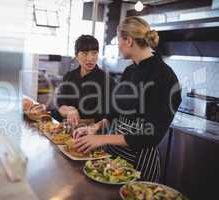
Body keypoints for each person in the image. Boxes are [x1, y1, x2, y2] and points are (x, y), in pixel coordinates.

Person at [73, 16, 182, 182]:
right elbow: (115, 112)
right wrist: (94, 128)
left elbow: (150, 136)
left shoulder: (165, 78)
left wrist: (101, 138)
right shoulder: (130, 71)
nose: (118, 45)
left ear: (129, 40)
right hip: (113, 157)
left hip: (139, 161)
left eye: (119, 40)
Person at [53, 35, 113, 127]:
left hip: (92, 134)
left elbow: (108, 118)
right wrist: (70, 110)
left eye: (94, 53)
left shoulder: (107, 80)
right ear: (76, 55)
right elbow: (61, 105)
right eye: (85, 53)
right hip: (65, 130)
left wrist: (81, 123)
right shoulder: (69, 76)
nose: (90, 58)